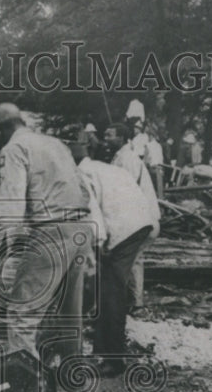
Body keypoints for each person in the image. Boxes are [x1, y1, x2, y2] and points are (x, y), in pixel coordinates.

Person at [0, 102, 91, 363]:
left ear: (1, 129)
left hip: (51, 231)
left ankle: (26, 384)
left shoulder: (14, 147)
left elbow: (12, 199)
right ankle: (73, 374)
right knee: (70, 311)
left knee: (22, 313)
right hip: (81, 227)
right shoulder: (57, 144)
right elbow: (83, 189)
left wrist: (7, 244)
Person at [63, 131, 155, 376]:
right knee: (107, 288)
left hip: (124, 228)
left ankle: (115, 361)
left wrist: (101, 242)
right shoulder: (100, 167)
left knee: (112, 292)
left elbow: (92, 210)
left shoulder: (81, 174)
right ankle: (102, 348)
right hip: (139, 221)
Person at [105, 123, 161, 312]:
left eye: (109, 135)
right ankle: (131, 301)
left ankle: (135, 303)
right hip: (136, 218)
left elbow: (126, 191)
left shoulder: (127, 159)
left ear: (121, 138)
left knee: (133, 258)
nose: (106, 138)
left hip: (142, 219)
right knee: (132, 258)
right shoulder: (120, 156)